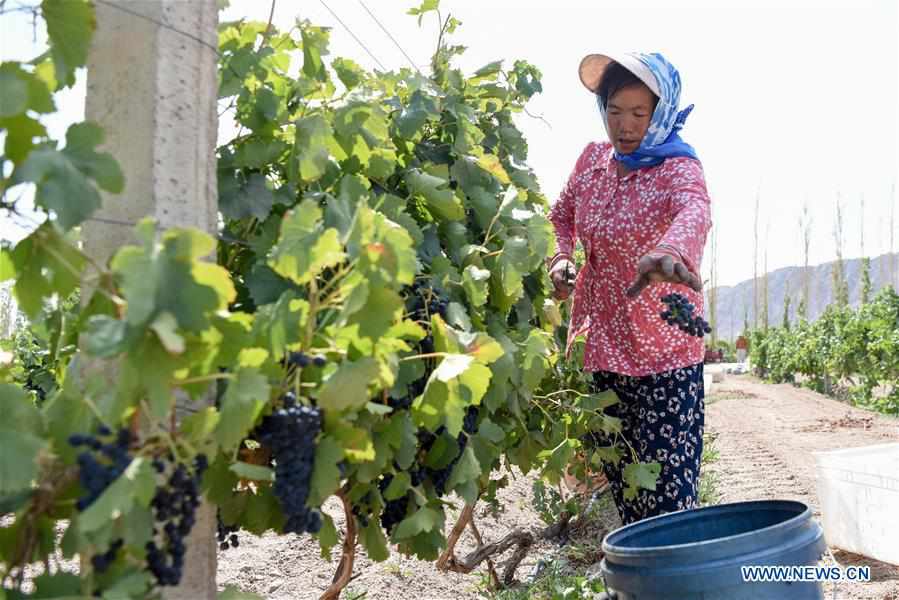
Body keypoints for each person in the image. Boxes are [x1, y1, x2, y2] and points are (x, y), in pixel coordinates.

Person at [548, 51, 712, 527]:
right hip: (602, 350)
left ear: (660, 113)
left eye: (639, 114)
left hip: (663, 357)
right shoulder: (593, 162)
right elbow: (561, 216)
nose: (625, 125)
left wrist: (671, 251)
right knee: (625, 488)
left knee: (667, 498)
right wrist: (561, 257)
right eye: (615, 111)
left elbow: (694, 211)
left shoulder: (678, 169)